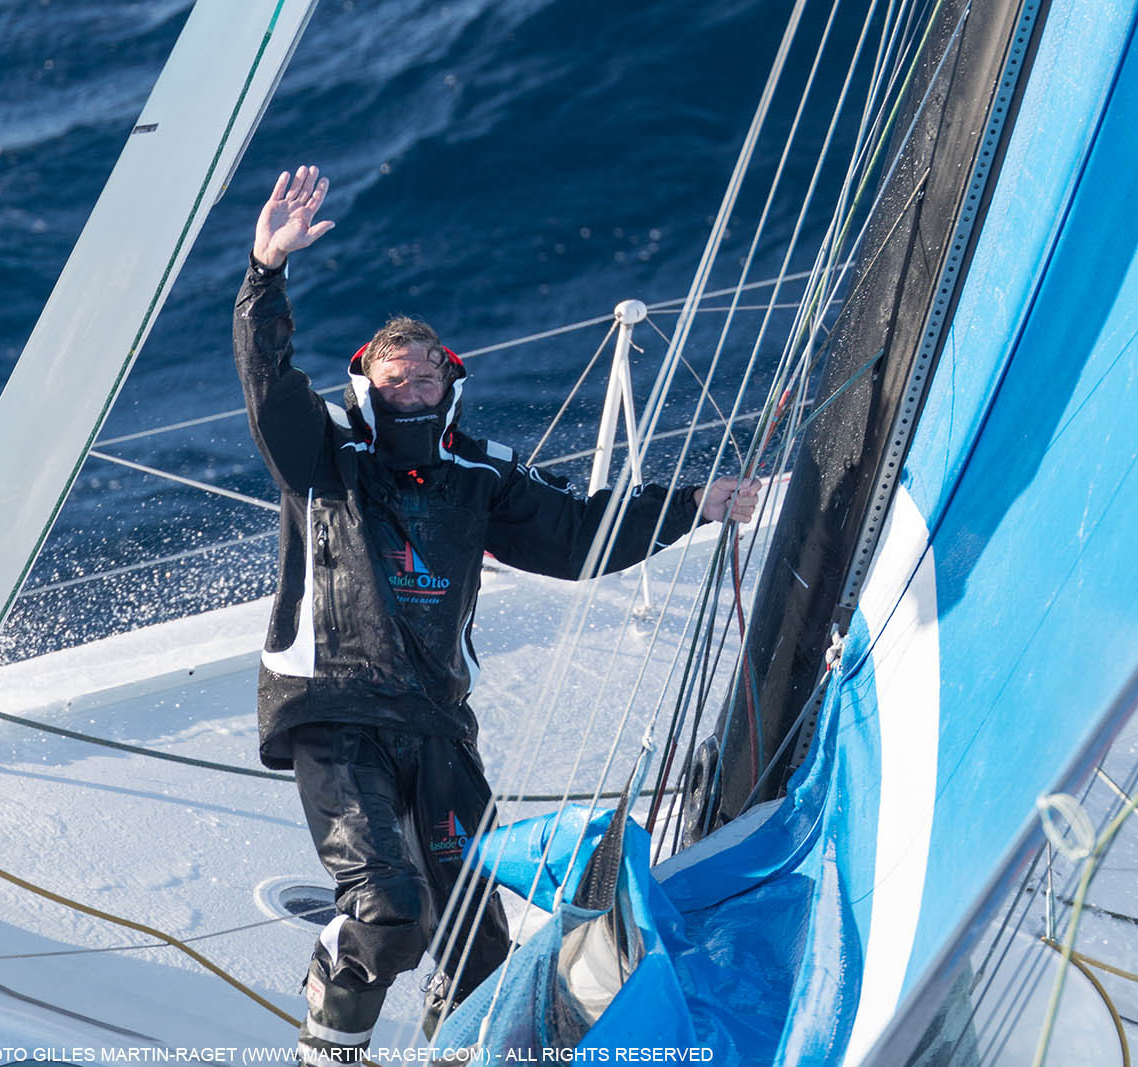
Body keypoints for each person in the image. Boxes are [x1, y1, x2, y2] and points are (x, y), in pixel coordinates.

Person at [233, 164, 759, 1066]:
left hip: (437, 727)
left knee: (482, 946)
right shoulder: (322, 451)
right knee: (390, 911)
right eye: (392, 373)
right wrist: (264, 275)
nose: (410, 383)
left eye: (425, 372)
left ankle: (470, 1053)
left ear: (450, 381)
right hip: (337, 713)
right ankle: (329, 1044)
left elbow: (579, 532)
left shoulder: (479, 475)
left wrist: (693, 503)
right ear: (366, 379)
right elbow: (268, 385)